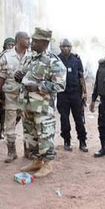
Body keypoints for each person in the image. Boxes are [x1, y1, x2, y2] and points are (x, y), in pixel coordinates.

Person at [14, 28, 66, 178]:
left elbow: (60, 85)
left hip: (42, 107)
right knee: (31, 135)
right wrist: (19, 76)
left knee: (45, 135)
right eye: (32, 39)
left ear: (45, 43)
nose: (31, 43)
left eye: (35, 41)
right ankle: (37, 161)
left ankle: (48, 164)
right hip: (28, 104)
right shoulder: (30, 58)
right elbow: (25, 75)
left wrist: (38, 87)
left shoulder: (53, 61)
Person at [0, 31, 31, 163]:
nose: (29, 40)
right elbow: (1, 76)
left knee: (28, 124)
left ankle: (28, 150)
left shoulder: (32, 56)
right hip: (11, 95)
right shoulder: (7, 56)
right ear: (18, 40)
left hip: (28, 96)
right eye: (26, 38)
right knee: (9, 124)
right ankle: (11, 152)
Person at [57, 38, 88, 152]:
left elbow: (81, 76)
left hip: (75, 93)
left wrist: (84, 92)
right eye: (64, 46)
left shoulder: (76, 59)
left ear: (71, 47)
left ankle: (82, 141)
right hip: (62, 94)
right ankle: (67, 141)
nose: (66, 48)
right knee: (64, 119)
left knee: (79, 119)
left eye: (68, 46)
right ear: (60, 47)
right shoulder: (56, 59)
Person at [0, 37, 15, 140]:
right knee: (2, 110)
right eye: (9, 45)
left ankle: (10, 128)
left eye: (13, 45)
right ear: (4, 46)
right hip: (2, 87)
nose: (11, 47)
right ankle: (2, 129)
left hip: (14, 87)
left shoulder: (16, 56)